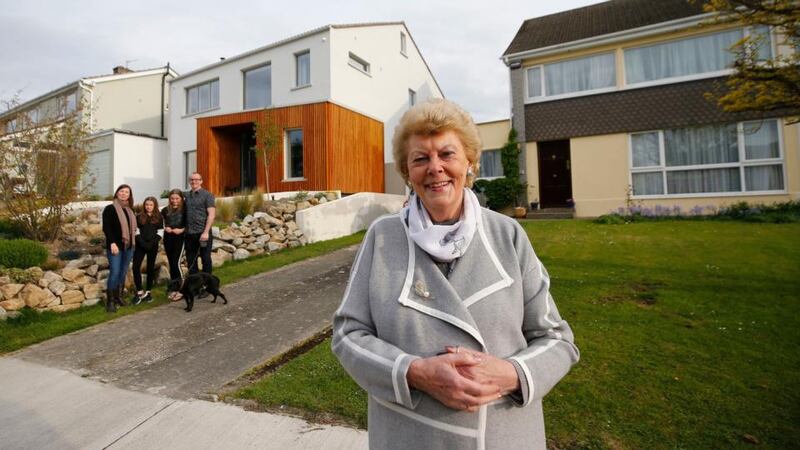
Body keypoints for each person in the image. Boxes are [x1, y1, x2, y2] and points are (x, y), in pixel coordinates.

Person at [332, 99, 579, 449]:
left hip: (502, 437)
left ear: (469, 163)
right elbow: (347, 334)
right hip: (408, 438)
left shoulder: (507, 235)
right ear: (407, 171)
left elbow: (557, 340)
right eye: (421, 158)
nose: (435, 168)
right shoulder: (383, 237)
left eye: (447, 154)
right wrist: (412, 372)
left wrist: (510, 374)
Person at [102, 184, 137, 313]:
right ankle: (110, 302)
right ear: (117, 193)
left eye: (126, 192)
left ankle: (119, 297)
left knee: (122, 273)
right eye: (121, 191)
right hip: (115, 246)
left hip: (128, 247)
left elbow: (133, 229)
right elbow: (107, 228)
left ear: (129, 195)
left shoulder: (130, 210)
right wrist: (112, 243)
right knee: (115, 272)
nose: (124, 194)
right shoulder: (110, 209)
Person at [131, 196, 163, 304]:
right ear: (144, 206)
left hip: (153, 246)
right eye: (146, 205)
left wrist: (151, 244)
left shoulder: (159, 217)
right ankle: (140, 291)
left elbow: (160, 233)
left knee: (150, 268)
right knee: (135, 267)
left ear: (154, 206)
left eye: (151, 205)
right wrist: (143, 243)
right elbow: (136, 231)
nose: (148, 207)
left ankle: (148, 292)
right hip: (141, 245)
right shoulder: (139, 217)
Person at [184, 172, 216, 275]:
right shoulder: (186, 196)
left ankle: (207, 285)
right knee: (191, 261)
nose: (194, 181)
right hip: (189, 234)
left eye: (196, 179)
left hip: (203, 233)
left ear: (201, 181)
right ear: (189, 182)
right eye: (192, 180)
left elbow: (211, 214)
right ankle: (195, 286)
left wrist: (206, 232)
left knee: (205, 259)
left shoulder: (208, 195)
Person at [162, 189, 187, 300]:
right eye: (172, 198)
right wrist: (165, 227)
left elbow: (189, 224)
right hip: (168, 239)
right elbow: (162, 224)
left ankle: (182, 289)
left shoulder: (186, 210)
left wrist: (182, 230)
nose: (174, 200)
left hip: (180, 238)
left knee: (176, 263)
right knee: (171, 264)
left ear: (181, 198)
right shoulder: (164, 210)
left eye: (177, 198)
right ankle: (174, 288)